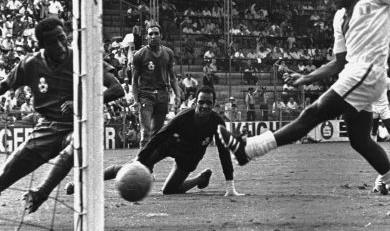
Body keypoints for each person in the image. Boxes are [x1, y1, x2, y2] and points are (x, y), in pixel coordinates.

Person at [217, 0, 390, 216]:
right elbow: (338, 62)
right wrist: (306, 77)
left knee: (314, 113)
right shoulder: (340, 18)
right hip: (354, 73)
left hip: (367, 72)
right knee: (360, 141)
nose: (325, 0)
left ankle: (249, 149)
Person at [0, 18, 125, 214]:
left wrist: (82, 102)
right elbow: (4, 86)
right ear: (42, 45)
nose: (61, 46)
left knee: (78, 140)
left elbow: (117, 89)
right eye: (53, 42)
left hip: (79, 123)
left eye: (62, 39)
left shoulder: (83, 58)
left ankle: (42, 192)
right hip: (47, 127)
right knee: (5, 175)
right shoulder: (30, 64)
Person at [66, 86, 243, 196]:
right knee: (130, 167)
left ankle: (200, 179)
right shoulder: (182, 118)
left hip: (190, 156)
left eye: (208, 103)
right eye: (201, 102)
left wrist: (230, 185)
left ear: (214, 104)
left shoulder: (217, 122)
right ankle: (83, 182)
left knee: (169, 191)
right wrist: (140, 160)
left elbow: (223, 152)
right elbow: (158, 137)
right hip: (169, 145)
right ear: (195, 102)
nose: (204, 106)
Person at [132, 24, 180, 148]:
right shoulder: (139, 55)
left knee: (156, 134)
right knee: (145, 132)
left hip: (163, 95)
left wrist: (177, 95)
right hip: (146, 96)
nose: (153, 36)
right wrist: (136, 100)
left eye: (156, 33)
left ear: (161, 36)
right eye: (150, 34)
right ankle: (141, 164)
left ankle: (149, 164)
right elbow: (134, 80)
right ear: (146, 37)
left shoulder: (168, 53)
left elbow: (172, 76)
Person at [371, 77, 390, 156]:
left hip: (384, 107)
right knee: (374, 129)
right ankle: (374, 148)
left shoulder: (387, 80)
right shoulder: (370, 79)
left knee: (389, 127)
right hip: (373, 107)